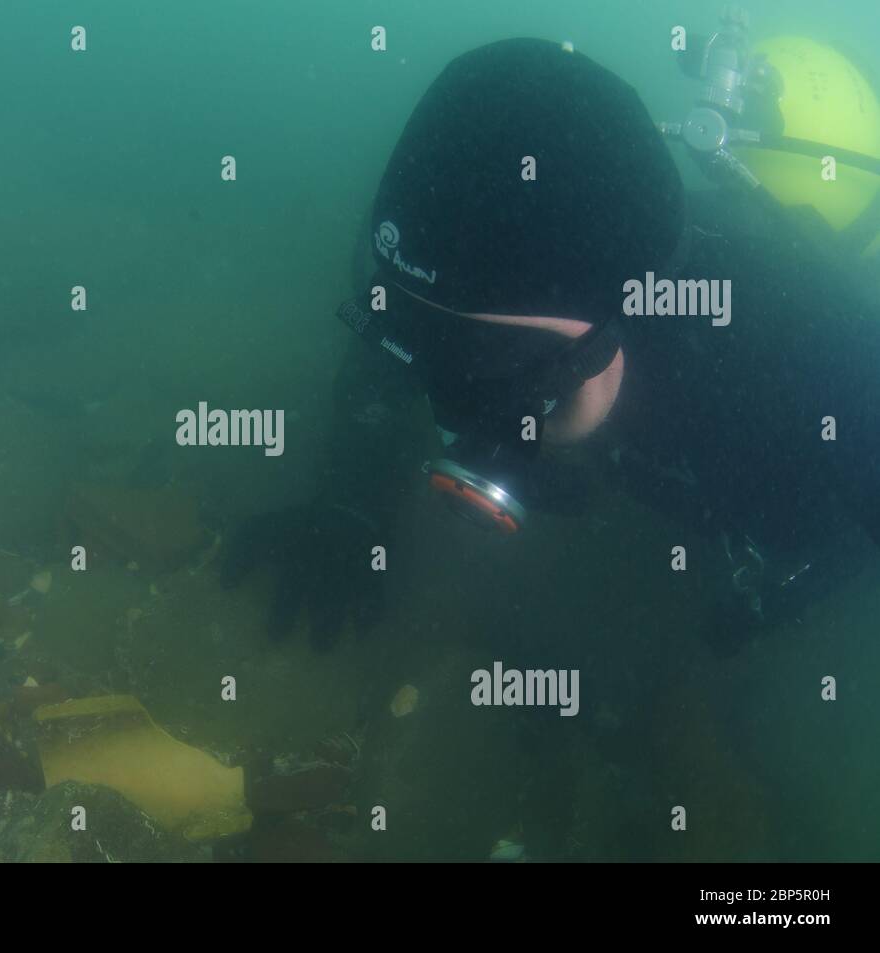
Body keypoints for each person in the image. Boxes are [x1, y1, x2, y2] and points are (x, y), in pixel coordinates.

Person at [222, 31, 880, 656]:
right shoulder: (444, 281)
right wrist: (350, 499)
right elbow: (397, 352)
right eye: (416, 335)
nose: (455, 412)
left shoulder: (818, 363)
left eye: (492, 368)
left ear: (625, 320)